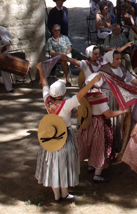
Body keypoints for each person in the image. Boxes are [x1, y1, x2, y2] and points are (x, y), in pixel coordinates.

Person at [35, 62, 101, 202]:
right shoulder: (66, 105)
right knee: (64, 164)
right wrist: (92, 82)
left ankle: (57, 195)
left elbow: (44, 83)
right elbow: (81, 94)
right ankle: (64, 194)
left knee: (53, 164)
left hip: (51, 137)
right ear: (63, 93)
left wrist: (41, 69)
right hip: (65, 137)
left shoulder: (48, 101)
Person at [77, 73, 130, 182]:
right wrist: (123, 111)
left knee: (90, 143)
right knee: (100, 146)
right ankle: (97, 174)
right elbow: (108, 114)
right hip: (99, 123)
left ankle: (90, 166)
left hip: (87, 123)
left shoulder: (84, 95)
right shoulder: (99, 96)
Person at [99, 51, 137, 150]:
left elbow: (131, 79)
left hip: (120, 99)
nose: (120, 61)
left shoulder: (122, 69)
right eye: (117, 59)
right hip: (109, 99)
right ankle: (110, 143)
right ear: (111, 59)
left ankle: (119, 143)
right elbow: (96, 84)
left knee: (120, 121)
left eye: (120, 58)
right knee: (111, 121)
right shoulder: (103, 71)